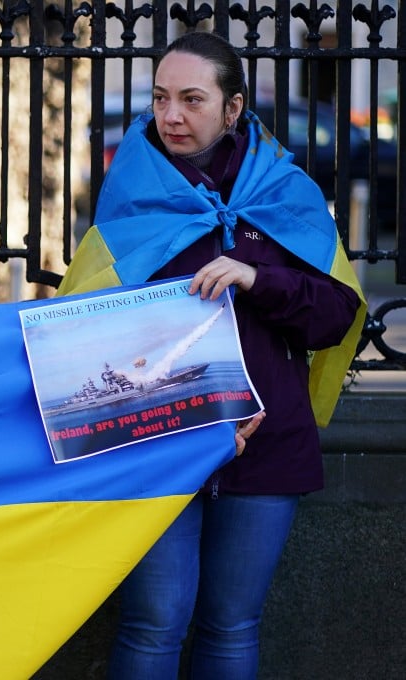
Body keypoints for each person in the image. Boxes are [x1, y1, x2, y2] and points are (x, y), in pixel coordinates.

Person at [58, 32, 365, 679]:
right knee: (153, 625)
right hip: (156, 445)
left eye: (192, 99)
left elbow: (337, 314)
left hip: (267, 442)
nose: (171, 115)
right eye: (161, 98)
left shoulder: (287, 194)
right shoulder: (131, 197)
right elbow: (82, 329)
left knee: (231, 629)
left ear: (233, 108)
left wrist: (259, 277)